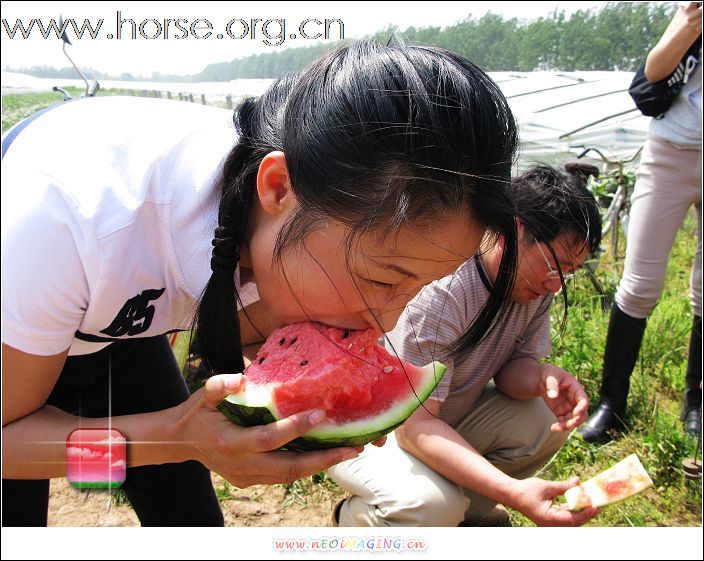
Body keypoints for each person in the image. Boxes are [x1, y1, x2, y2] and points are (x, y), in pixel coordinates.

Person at [1, 41, 521, 526]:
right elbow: (7, 441)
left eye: (417, 288)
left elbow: (247, 340)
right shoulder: (64, 220)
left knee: (189, 517)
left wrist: (177, 443)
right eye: (381, 279)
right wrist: (168, 440)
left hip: (117, 330)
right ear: (277, 187)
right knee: (22, 506)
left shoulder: (282, 223)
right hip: (29, 315)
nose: (385, 322)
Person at [327, 165, 603, 527]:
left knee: (545, 416)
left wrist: (542, 377)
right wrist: (512, 492)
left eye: (567, 273)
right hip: (376, 432)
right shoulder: (445, 293)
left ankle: (456, 520)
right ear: (513, 231)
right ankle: (355, 522)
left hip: (438, 417)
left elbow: (510, 373)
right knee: (430, 505)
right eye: (556, 267)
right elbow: (414, 428)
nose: (556, 285)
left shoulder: (536, 284)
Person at [578, 2, 702, 444]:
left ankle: (696, 404)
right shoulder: (693, 12)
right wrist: (689, 24)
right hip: (670, 151)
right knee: (640, 283)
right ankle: (612, 402)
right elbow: (654, 71)